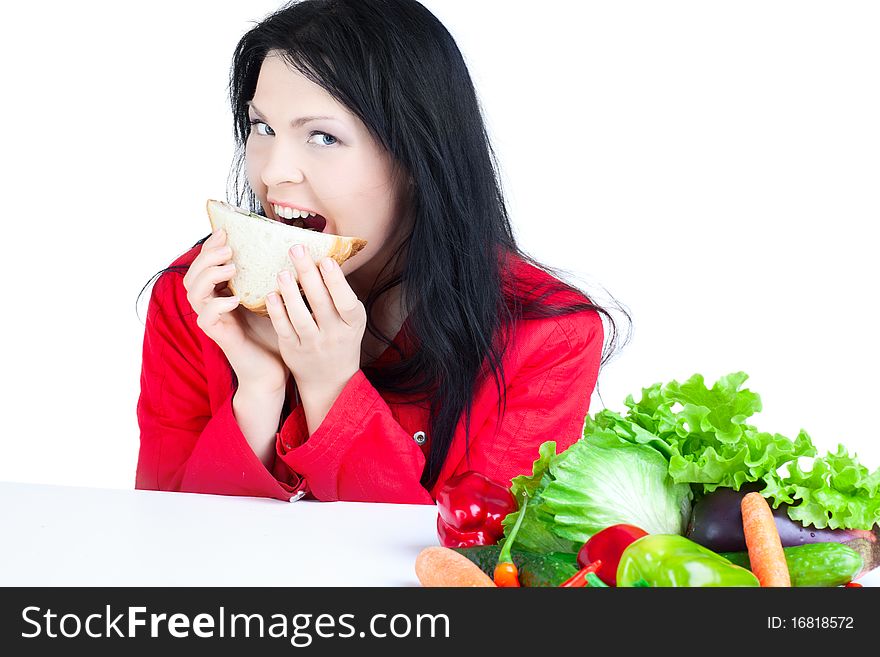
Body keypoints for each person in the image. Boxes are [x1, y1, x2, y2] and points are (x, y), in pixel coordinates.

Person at [135, 0, 629, 504]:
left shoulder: (545, 335)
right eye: (263, 128)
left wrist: (331, 387)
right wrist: (258, 386)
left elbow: (474, 567)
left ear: (416, 156)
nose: (273, 171)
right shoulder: (196, 297)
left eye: (323, 136)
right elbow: (161, 534)